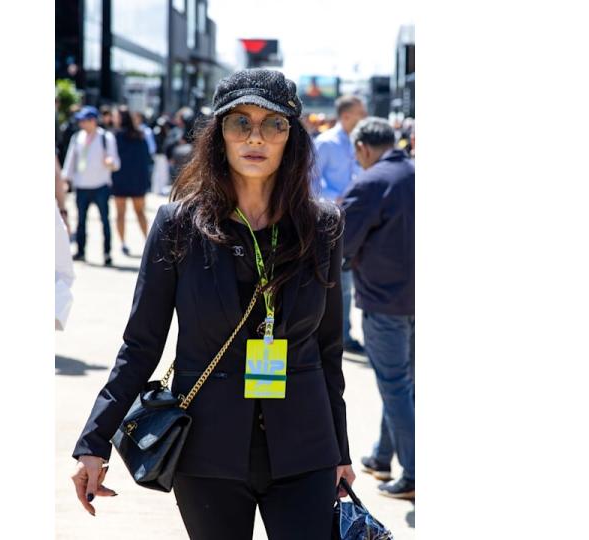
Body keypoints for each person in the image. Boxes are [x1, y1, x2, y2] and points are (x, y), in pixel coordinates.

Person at [71, 68, 355, 540]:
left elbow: (329, 350)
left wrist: (340, 449)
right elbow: (141, 344)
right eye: (240, 122)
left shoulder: (322, 226)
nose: (255, 137)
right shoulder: (179, 225)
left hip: (305, 445)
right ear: (218, 133)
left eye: (273, 124)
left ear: (293, 136)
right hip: (207, 447)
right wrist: (94, 441)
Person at [339, 117, 415, 500]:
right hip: (414, 300)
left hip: (386, 301)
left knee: (395, 385)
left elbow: (340, 246)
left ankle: (415, 472)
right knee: (402, 383)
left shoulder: (370, 184)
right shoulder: (415, 173)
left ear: (362, 148)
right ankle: (382, 456)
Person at [314, 95, 367, 354]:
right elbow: (310, 181)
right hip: (333, 220)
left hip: (357, 219)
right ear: (347, 116)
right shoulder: (326, 143)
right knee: (341, 282)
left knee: (351, 281)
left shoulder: (356, 143)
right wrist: (335, 197)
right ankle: (342, 337)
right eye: (360, 113)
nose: (364, 117)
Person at [61, 106, 120, 266]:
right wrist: (66, 180)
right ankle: (81, 251)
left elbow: (116, 162)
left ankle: (107, 253)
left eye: (85, 121)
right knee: (81, 221)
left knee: (105, 221)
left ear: (93, 121)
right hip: (81, 186)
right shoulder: (77, 137)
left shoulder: (106, 137)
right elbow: (70, 160)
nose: (82, 124)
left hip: (101, 185)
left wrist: (110, 163)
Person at [111, 106, 152, 256]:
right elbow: (146, 158)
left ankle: (123, 244)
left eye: (115, 116)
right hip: (137, 179)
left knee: (120, 213)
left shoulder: (114, 136)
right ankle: (148, 242)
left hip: (120, 179)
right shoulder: (140, 135)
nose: (113, 119)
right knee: (140, 212)